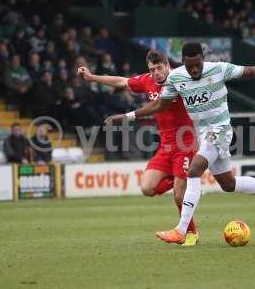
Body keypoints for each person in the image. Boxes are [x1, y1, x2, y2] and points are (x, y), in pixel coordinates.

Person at [106, 42, 255, 244]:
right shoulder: (176, 77)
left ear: (202, 59)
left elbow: (244, 71)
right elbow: (161, 104)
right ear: (183, 64)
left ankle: (182, 231)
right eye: (190, 66)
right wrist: (128, 116)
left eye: (197, 65)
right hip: (203, 134)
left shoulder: (218, 68)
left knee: (194, 169)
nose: (194, 69)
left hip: (221, 131)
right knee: (229, 184)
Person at [77, 50, 199, 246]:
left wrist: (125, 117)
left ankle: (190, 232)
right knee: (147, 188)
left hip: (185, 143)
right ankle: (181, 181)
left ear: (168, 65)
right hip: (166, 146)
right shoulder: (147, 80)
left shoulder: (179, 78)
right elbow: (121, 82)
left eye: (160, 68)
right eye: (153, 70)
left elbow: (159, 105)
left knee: (179, 195)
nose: (157, 73)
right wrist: (92, 77)